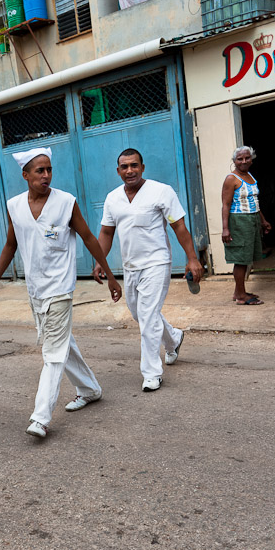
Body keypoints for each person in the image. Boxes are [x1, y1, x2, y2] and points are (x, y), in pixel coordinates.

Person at [0, 147, 122, 439]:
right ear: (25, 175)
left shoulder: (66, 202)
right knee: (61, 342)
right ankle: (90, 389)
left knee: (53, 353)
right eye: (39, 171)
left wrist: (109, 274)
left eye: (49, 170)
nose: (46, 175)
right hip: (35, 289)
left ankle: (41, 417)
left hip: (59, 288)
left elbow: (89, 237)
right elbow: (10, 245)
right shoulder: (15, 206)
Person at [93, 149, 204, 392]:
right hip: (130, 266)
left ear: (143, 167)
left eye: (134, 165)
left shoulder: (161, 191)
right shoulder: (112, 198)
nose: (129, 170)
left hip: (156, 262)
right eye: (124, 167)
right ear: (118, 170)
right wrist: (100, 260)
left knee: (148, 316)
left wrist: (192, 258)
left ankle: (152, 373)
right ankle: (173, 338)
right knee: (139, 314)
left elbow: (179, 227)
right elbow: (107, 232)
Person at [220, 146, 271, 305]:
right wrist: (225, 228)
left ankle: (238, 291)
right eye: (239, 159)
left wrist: (262, 220)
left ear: (251, 159)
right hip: (239, 221)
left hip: (252, 219)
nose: (243, 161)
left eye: (247, 158)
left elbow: (255, 202)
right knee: (241, 259)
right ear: (234, 161)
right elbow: (226, 205)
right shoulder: (231, 179)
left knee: (246, 257)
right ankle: (242, 296)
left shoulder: (249, 176)